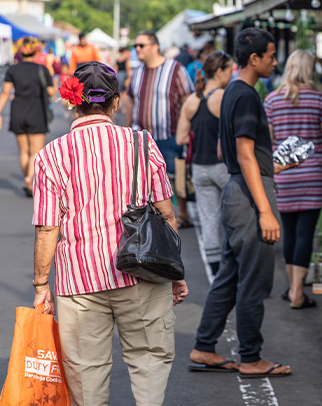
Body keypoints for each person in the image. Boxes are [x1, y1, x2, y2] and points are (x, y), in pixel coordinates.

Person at [31, 61, 189, 406]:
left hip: (79, 282)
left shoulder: (51, 155)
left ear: (71, 103)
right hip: (141, 272)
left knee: (86, 368)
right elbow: (166, 214)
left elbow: (48, 227)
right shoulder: (142, 144)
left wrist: (41, 284)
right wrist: (177, 272)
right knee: (150, 355)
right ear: (117, 103)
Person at [188, 28, 293, 378]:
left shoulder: (229, 91)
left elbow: (226, 151)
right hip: (250, 197)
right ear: (254, 58)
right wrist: (265, 210)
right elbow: (246, 153)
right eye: (271, 55)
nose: (275, 62)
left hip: (236, 189)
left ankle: (204, 346)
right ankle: (251, 357)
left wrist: (269, 164)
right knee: (254, 280)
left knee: (230, 277)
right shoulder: (247, 95)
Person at [264, 50, 322, 309]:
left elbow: (269, 140)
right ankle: (297, 292)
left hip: (282, 174)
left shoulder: (272, 101)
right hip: (312, 174)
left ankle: (292, 288)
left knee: (289, 234)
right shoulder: (320, 100)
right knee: (306, 234)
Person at [124, 30, 195, 228]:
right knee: (141, 177)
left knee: (174, 174)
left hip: (169, 134)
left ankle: (182, 214)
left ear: (155, 46)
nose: (137, 49)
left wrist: (185, 131)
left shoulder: (175, 69)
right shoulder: (137, 71)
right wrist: (127, 129)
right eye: (135, 45)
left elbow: (187, 100)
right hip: (142, 137)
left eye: (141, 45)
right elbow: (130, 101)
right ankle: (149, 215)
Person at [175, 51, 234, 276]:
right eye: (229, 70)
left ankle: (215, 269)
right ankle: (234, 264)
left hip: (199, 167)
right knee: (233, 216)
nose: (231, 74)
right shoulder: (224, 97)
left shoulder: (192, 100)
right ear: (219, 71)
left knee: (209, 218)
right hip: (224, 166)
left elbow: (180, 137)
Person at [0, 37, 55, 197]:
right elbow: (51, 92)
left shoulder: (13, 70)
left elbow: (6, 92)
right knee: (36, 151)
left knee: (24, 152)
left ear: (20, 51)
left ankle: (27, 178)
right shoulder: (42, 70)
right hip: (37, 111)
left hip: (18, 110)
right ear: (36, 51)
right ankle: (30, 177)